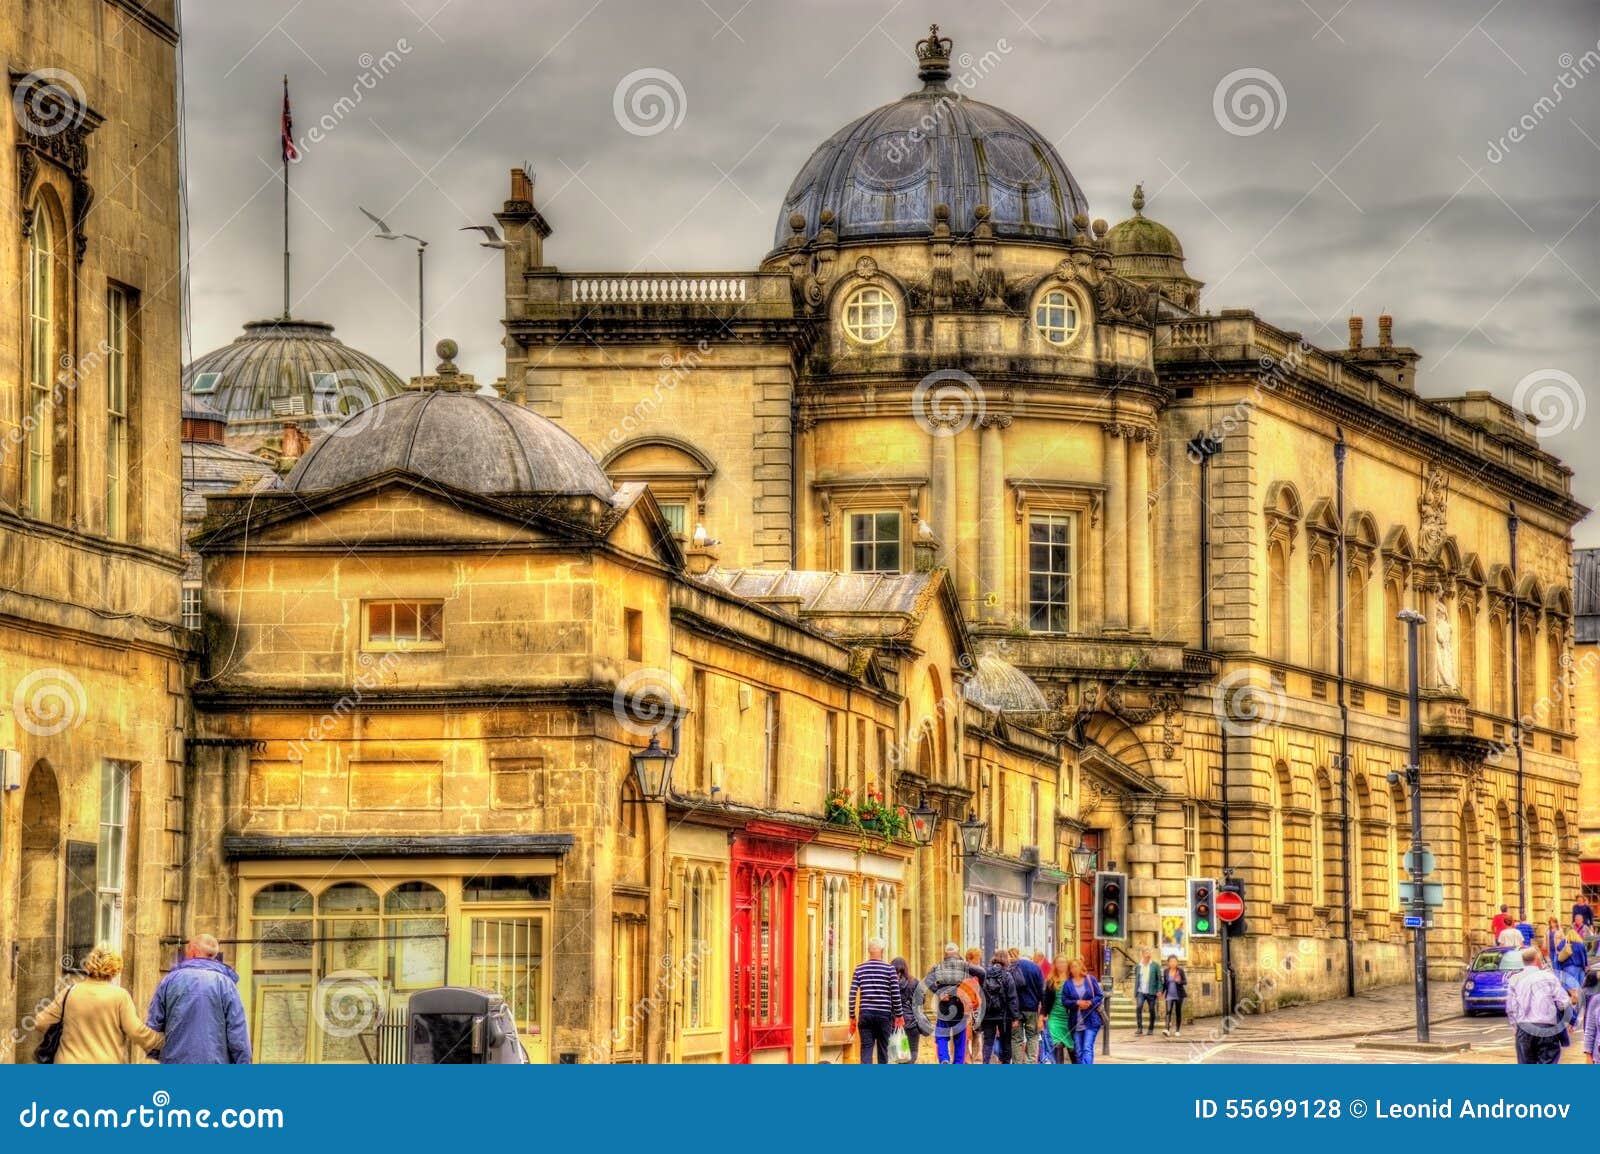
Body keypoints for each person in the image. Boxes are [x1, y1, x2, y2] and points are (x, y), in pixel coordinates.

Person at [32, 946, 163, 1064]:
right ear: (115, 969)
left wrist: (68, 1032)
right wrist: (163, 1041)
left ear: (89, 964)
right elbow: (136, 1032)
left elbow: (40, 1022)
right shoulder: (120, 996)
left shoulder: (69, 992)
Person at [146, 934, 251, 1064]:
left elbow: (153, 1025)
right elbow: (238, 1031)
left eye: (188, 949)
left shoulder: (169, 980)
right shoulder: (227, 984)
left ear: (194, 951)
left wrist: (156, 1053)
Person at [1506, 946, 1569, 1064]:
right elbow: (1563, 1003)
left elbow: (1511, 1009)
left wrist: (1517, 1029)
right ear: (1537, 960)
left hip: (1524, 1028)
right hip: (1546, 1028)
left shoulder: (1514, 979)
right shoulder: (1549, 977)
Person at [923, 943, 984, 1064]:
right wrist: (977, 987)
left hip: (944, 1006)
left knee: (941, 1035)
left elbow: (928, 979)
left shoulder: (938, 966)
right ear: (957, 952)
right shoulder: (965, 966)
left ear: (945, 954)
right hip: (961, 1006)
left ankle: (944, 1058)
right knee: (960, 1038)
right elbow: (982, 973)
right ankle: (958, 1063)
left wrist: (939, 992)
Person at [848, 937, 905, 1064]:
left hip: (865, 1014)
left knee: (866, 1049)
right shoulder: (889, 969)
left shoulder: (859, 969)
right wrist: (899, 1015)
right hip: (883, 1015)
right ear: (882, 951)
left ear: (868, 951)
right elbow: (896, 995)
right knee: (883, 1050)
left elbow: (852, 995)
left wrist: (852, 1015)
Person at [978, 950, 1019, 1064]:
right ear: (1006, 960)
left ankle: (986, 1063)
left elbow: (980, 994)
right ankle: (1005, 1063)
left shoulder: (985, 974)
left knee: (988, 1041)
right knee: (1005, 1041)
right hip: (1004, 1016)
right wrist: (1015, 1017)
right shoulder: (1007, 975)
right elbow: (1012, 998)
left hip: (988, 1014)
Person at [1062, 958, 1103, 1064]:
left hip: (1091, 1020)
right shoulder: (1068, 984)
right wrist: (1076, 1003)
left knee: (1087, 1048)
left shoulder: (1090, 979)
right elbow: (1065, 1001)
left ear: (1081, 967)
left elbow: (1099, 996)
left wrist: (1090, 1002)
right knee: (1078, 1051)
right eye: (1072, 967)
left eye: (1076, 966)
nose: (1074, 969)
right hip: (1076, 1023)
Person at [1008, 947, 1045, 1063]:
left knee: (1016, 1038)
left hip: (1016, 1009)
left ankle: (1017, 1063)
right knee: (1032, 1036)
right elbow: (1041, 991)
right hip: (1031, 1008)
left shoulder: (1012, 966)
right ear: (1031, 957)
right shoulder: (1036, 968)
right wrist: (1043, 1011)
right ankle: (1030, 1062)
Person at [1041, 955, 1076, 1064]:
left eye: (1064, 962)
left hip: (1070, 1019)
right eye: (1059, 962)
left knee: (1072, 1048)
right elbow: (1046, 1000)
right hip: (1055, 1018)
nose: (1062, 965)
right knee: (1057, 1045)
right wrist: (1042, 1016)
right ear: (1055, 965)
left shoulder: (1073, 980)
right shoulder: (1051, 980)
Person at [891, 956, 926, 1063]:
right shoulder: (914, 982)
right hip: (912, 1023)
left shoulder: (890, 983)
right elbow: (921, 1000)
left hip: (896, 1022)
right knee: (913, 1050)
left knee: (901, 1051)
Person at [1134, 947, 1161, 1036]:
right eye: (1146, 953)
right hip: (1140, 991)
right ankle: (1139, 1028)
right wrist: (1136, 991)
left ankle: (1151, 1028)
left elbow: (1159, 979)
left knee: (1152, 1010)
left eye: (1149, 953)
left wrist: (1159, 990)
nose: (1148, 955)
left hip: (1151, 992)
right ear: (1143, 954)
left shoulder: (1155, 965)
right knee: (1139, 1007)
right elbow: (1137, 978)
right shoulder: (1138, 966)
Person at [1162, 955, 1188, 1036]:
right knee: (1168, 1012)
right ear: (1168, 963)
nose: (1173, 963)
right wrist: (1162, 991)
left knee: (1178, 1012)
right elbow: (1165, 983)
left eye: (1174, 961)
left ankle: (1177, 1030)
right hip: (1169, 994)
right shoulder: (1166, 971)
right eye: (1171, 961)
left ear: (1177, 962)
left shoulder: (1180, 971)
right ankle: (1167, 1029)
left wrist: (1179, 981)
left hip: (1179, 995)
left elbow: (1185, 982)